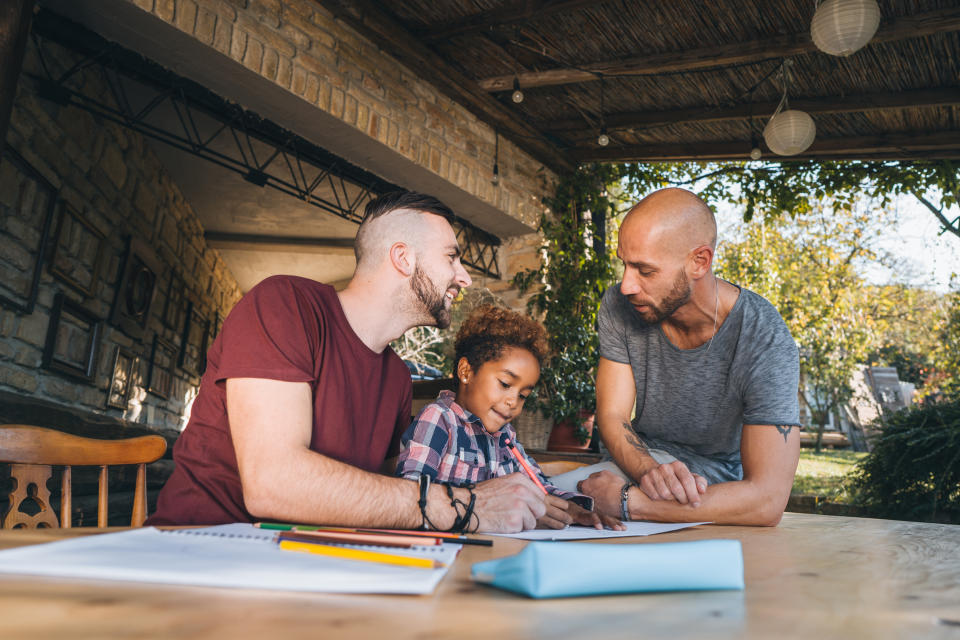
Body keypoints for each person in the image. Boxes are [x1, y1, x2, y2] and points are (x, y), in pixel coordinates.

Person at [147, 191, 549, 532]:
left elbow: (380, 495)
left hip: (310, 567)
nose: (464, 278)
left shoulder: (395, 376)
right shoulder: (284, 305)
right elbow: (273, 484)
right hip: (201, 554)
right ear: (403, 259)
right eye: (451, 258)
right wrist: (462, 506)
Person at [572, 188, 801, 526]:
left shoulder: (763, 334)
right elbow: (611, 414)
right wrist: (650, 471)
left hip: (710, 493)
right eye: (624, 265)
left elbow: (767, 500)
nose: (626, 285)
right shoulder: (620, 305)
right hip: (627, 468)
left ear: (699, 262)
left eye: (645, 271)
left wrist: (629, 503)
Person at [396, 305, 623, 531]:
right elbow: (412, 491)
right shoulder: (439, 419)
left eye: (523, 395)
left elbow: (541, 488)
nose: (513, 401)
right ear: (466, 371)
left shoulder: (506, 438)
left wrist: (573, 509)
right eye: (505, 384)